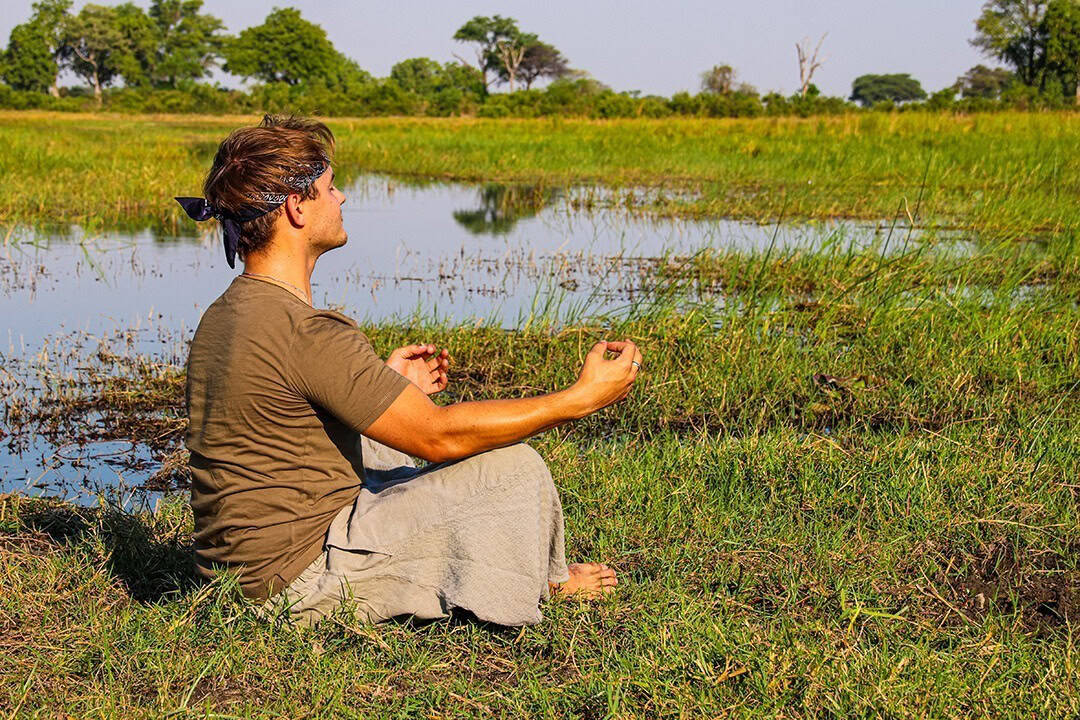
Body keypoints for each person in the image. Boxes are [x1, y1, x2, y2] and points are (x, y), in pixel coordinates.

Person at [178, 115, 643, 628]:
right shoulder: (306, 331)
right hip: (294, 585)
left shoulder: (226, 313)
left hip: (233, 574)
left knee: (381, 445)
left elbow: (278, 420)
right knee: (514, 468)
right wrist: (578, 399)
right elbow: (439, 438)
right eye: (330, 188)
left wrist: (385, 385)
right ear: (296, 207)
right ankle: (542, 582)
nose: (341, 198)